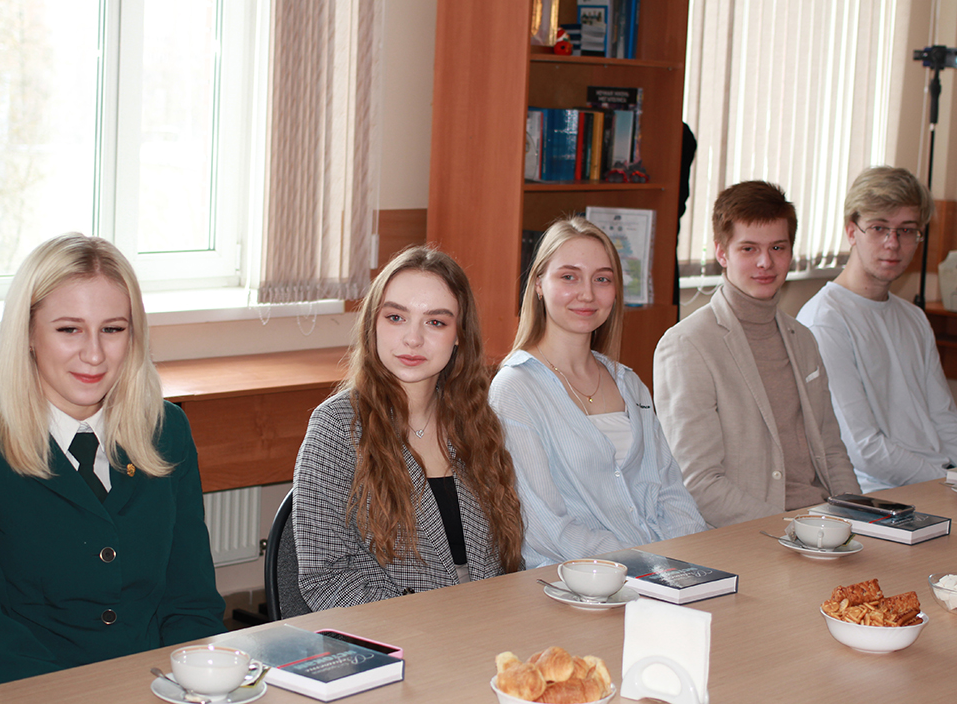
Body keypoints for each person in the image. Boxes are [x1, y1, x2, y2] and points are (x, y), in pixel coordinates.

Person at [0, 234, 225, 688]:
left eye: (113, 329)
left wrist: (194, 686)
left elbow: (192, 602)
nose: (94, 354)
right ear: (29, 334)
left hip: (157, 688)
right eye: (69, 329)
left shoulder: (166, 429)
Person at [292, 246, 523, 610]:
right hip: (395, 629)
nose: (413, 339)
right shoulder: (337, 427)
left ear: (459, 335)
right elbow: (326, 577)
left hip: (489, 620)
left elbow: (505, 560)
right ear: (373, 324)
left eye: (436, 322)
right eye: (396, 317)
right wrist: (429, 624)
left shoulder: (477, 420)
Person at [488, 217, 705, 569]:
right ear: (539, 284)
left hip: (661, 571)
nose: (587, 294)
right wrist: (645, 562)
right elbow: (546, 528)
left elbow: (671, 492)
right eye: (569, 277)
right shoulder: (515, 389)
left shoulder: (628, 382)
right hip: (576, 580)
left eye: (602, 279)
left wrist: (694, 560)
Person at [653, 182, 860, 528]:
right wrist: (794, 528)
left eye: (777, 247)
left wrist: (859, 518)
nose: (766, 262)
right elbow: (699, 484)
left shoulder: (803, 338)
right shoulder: (687, 345)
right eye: (748, 248)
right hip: (754, 531)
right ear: (722, 253)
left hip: (823, 522)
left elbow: (832, 450)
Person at [797, 166, 957, 491]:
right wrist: (945, 482)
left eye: (907, 230)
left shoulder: (913, 317)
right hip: (878, 495)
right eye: (879, 227)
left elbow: (943, 418)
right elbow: (863, 448)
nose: (892, 243)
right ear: (851, 231)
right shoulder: (824, 320)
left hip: (937, 483)